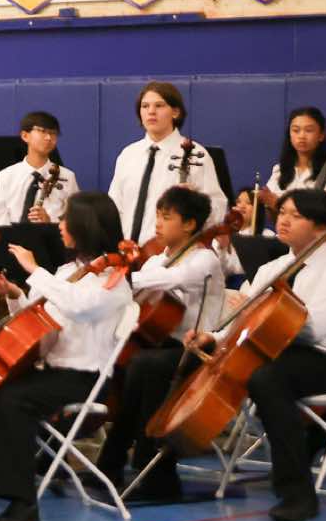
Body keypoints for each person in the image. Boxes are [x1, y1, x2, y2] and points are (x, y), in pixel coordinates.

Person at [0, 192, 131, 521]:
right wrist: (15, 295)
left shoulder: (113, 281)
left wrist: (34, 270)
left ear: (85, 226)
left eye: (66, 218)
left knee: (14, 400)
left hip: (83, 378)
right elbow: (43, 316)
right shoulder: (68, 271)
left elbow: (78, 305)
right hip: (52, 371)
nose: (60, 224)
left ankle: (22, 501)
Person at [181, 190, 326, 521]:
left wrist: (272, 313)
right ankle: (163, 460)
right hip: (271, 352)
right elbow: (242, 319)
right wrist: (213, 337)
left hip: (321, 359)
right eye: (282, 213)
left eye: (295, 215)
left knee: (266, 378)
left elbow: (317, 329)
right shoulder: (272, 268)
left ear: (320, 225)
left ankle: (298, 494)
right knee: (188, 359)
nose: (283, 220)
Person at [96, 185, 228, 503]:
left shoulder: (205, 260)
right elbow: (139, 288)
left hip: (202, 348)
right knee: (131, 364)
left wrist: (121, 278)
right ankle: (113, 464)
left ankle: (153, 474)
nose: (158, 223)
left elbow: (175, 279)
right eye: (157, 215)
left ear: (190, 224)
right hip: (165, 346)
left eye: (166, 217)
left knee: (147, 365)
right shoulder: (157, 259)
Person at [108, 81, 228, 243]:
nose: (151, 111)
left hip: (170, 251)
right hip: (128, 251)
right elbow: (115, 207)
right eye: (145, 106)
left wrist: (196, 203)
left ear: (175, 112)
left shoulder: (196, 154)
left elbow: (217, 207)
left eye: (159, 105)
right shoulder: (128, 155)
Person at [0, 111, 78, 226]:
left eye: (53, 133)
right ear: (25, 136)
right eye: (42, 131)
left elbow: (74, 220)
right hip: (13, 237)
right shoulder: (6, 176)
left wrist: (50, 222)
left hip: (52, 237)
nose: (48, 137)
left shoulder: (67, 177)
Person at [261, 106, 326, 208]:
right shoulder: (279, 170)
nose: (301, 136)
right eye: (296, 130)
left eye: (309, 130)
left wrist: (278, 203)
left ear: (321, 135)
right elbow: (269, 212)